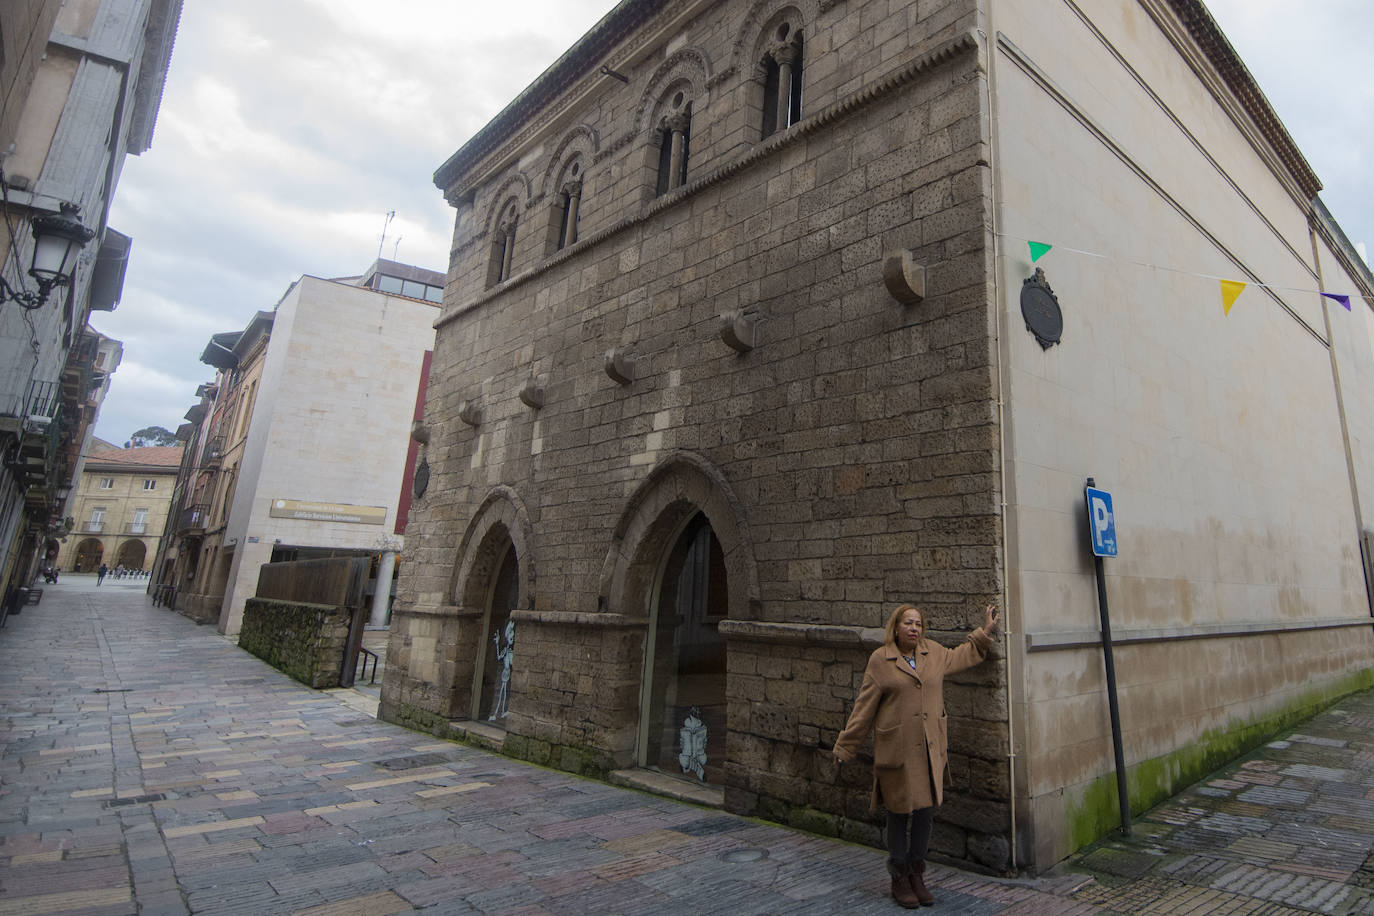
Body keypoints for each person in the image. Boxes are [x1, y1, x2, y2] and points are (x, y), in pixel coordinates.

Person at [833, 602, 1000, 908]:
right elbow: (864, 707)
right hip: (896, 750)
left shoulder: (933, 653)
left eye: (918, 624)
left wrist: (985, 632)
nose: (913, 628)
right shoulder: (880, 660)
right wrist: (846, 746)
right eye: (908, 623)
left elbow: (963, 655)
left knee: (925, 813)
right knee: (898, 813)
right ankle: (898, 876)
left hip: (928, 748)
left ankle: (917, 872)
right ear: (895, 627)